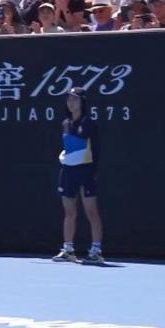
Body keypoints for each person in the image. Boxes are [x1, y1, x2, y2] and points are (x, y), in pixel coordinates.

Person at [53, 87, 104, 265]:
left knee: (91, 211)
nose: (71, 102)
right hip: (67, 172)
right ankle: (68, 249)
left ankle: (96, 251)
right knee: (69, 211)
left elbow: (96, 150)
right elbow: (69, 148)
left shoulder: (89, 123)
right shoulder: (65, 123)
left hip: (85, 171)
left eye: (75, 99)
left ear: (82, 102)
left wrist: (91, 172)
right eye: (69, 99)